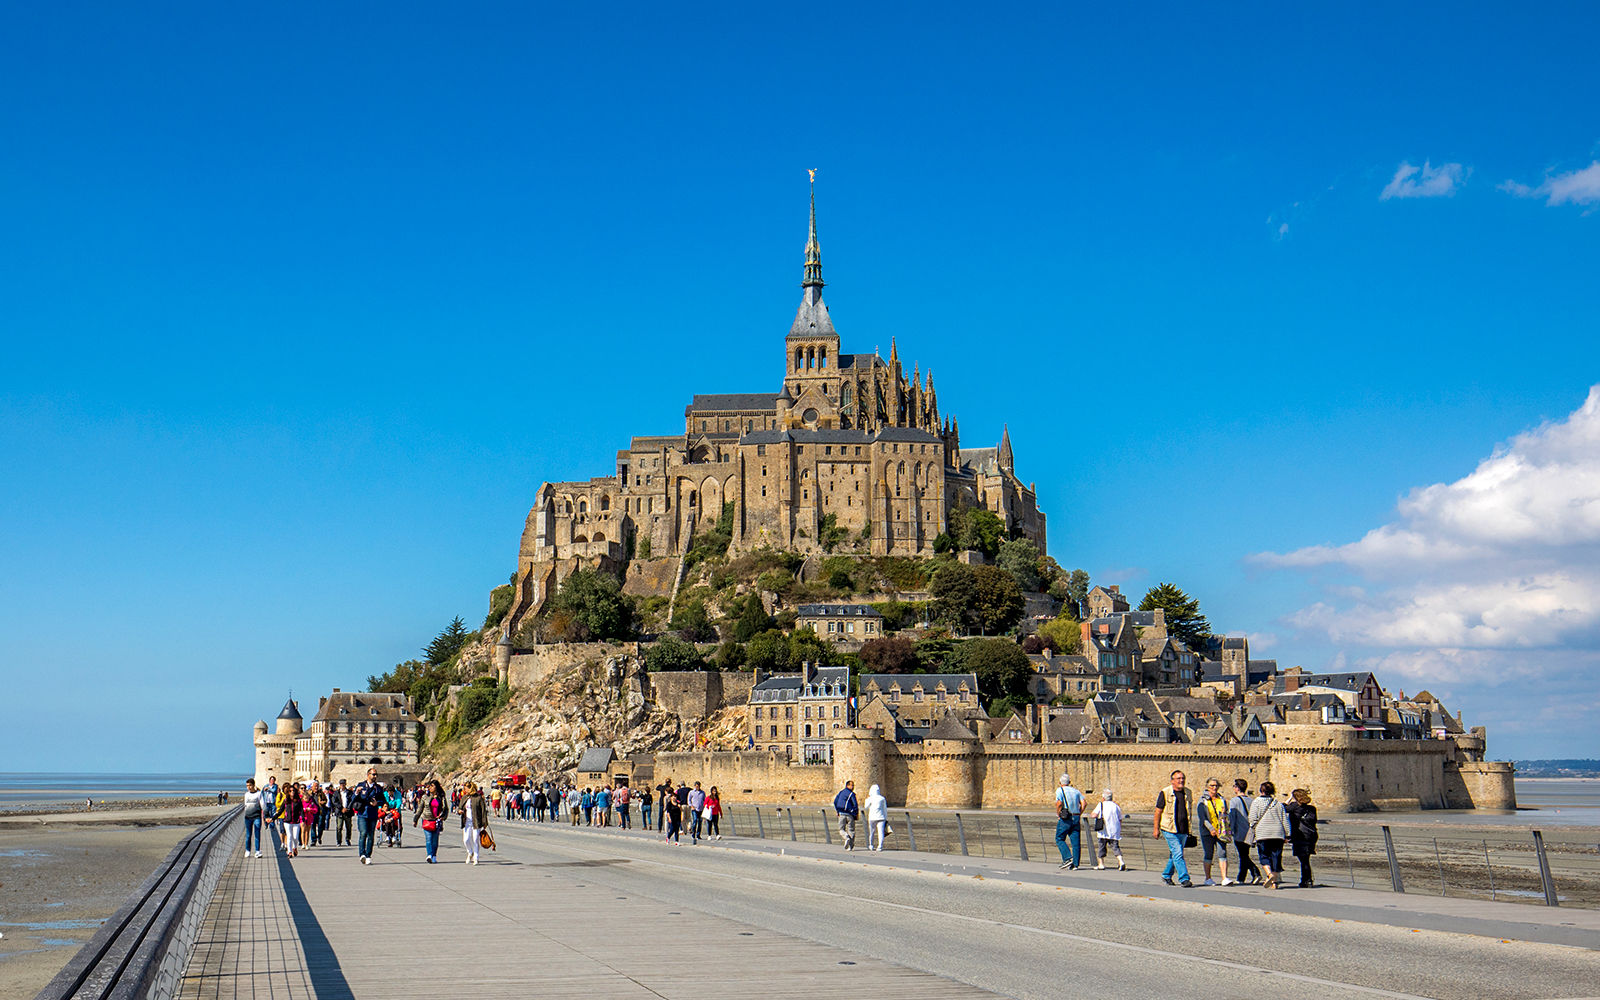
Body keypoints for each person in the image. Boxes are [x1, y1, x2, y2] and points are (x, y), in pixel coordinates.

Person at [1248, 780, 1292, 890]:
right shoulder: (1277, 803)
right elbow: (1284, 819)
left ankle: (1269, 875)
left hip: (1263, 833)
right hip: (1278, 834)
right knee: (1276, 857)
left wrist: (1254, 827)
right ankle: (1274, 883)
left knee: (1264, 856)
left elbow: (1252, 819)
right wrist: (1288, 835)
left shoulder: (1256, 802)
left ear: (1261, 790)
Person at [1152, 770, 1193, 887]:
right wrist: (1156, 829)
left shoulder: (1188, 792)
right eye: (1178, 778)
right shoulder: (1165, 793)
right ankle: (1184, 878)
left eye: (1183, 778)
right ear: (1172, 781)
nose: (1181, 780)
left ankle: (1166, 875)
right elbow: (1158, 812)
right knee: (1178, 853)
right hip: (1169, 828)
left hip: (1183, 829)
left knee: (1175, 854)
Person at [1197, 777, 1234, 886]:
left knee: (1222, 852)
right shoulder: (1203, 800)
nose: (1214, 788)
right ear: (1207, 787)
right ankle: (1208, 878)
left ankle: (1224, 877)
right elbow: (1202, 817)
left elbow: (1225, 814)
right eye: (1212, 786)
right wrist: (1211, 829)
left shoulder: (1221, 799)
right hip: (1207, 831)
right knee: (1209, 853)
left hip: (1221, 831)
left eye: (1216, 785)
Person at [1227, 779, 1262, 884]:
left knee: (1243, 855)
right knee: (1244, 854)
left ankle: (1255, 872)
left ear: (1237, 788)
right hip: (1250, 833)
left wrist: (1230, 830)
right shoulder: (1252, 801)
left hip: (1239, 832)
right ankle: (1241, 878)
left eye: (1234, 786)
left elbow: (1232, 817)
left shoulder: (1234, 801)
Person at [351, 768, 385, 866]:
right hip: (362, 813)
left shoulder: (378, 788)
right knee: (363, 833)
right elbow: (353, 798)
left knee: (371, 835)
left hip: (373, 813)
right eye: (373, 774)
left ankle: (368, 855)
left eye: (376, 775)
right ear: (368, 775)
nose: (374, 776)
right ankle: (362, 854)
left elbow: (383, 800)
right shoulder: (361, 785)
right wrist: (356, 792)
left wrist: (377, 803)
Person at [1287, 788, 1319, 887]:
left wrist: (1288, 799)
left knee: (1304, 860)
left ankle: (1307, 880)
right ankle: (1306, 879)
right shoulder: (1312, 808)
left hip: (1300, 835)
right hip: (1311, 835)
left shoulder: (1294, 807)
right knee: (1305, 859)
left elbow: (1281, 807)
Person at [1054, 774, 1086, 870]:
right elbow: (1084, 803)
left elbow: (1059, 803)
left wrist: (1058, 813)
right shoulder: (1076, 791)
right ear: (1069, 782)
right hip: (1076, 817)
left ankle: (1068, 858)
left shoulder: (1060, 790)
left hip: (1066, 818)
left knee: (1059, 838)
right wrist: (1079, 813)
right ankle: (1075, 864)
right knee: (1076, 843)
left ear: (1060, 782)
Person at [1090, 790, 1124, 871]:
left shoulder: (1101, 804)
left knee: (1102, 847)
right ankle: (1121, 861)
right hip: (1114, 831)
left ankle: (1101, 864)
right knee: (1115, 847)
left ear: (1103, 798)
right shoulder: (1116, 806)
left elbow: (1093, 815)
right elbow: (1120, 819)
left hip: (1103, 830)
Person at [416, 780, 448, 864]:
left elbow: (445, 809)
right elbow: (420, 808)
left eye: (432, 786)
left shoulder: (441, 797)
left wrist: (443, 817)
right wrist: (416, 819)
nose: (430, 787)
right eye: (429, 786)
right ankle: (429, 855)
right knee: (428, 838)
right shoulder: (425, 797)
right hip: (427, 819)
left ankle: (434, 855)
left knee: (435, 840)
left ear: (436, 787)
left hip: (437, 820)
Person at [459, 781, 487, 866]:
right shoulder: (464, 798)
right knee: (466, 839)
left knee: (475, 840)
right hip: (466, 822)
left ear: (470, 788)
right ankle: (470, 852)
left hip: (476, 822)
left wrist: (484, 822)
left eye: (466, 789)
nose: (464, 790)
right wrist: (460, 811)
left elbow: (483, 811)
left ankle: (476, 858)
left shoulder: (478, 798)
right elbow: (460, 807)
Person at [833, 780, 859, 850]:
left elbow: (835, 802)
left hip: (841, 813)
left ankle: (846, 837)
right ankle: (850, 846)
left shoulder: (841, 793)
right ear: (847, 786)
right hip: (850, 814)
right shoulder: (852, 794)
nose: (853, 787)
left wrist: (838, 811)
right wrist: (856, 813)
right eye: (851, 785)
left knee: (841, 829)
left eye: (853, 785)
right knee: (851, 830)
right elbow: (855, 804)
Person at [242, 779, 265, 858]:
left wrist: (266, 815)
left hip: (257, 816)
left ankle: (257, 851)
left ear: (253, 785)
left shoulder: (259, 794)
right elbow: (245, 805)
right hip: (248, 817)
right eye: (247, 786)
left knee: (257, 833)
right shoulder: (246, 795)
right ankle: (248, 850)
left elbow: (263, 805)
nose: (248, 787)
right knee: (248, 834)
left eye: (250, 785)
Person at [864, 783, 889, 852]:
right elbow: (885, 809)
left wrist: (867, 799)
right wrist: (886, 818)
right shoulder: (882, 798)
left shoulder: (870, 798)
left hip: (872, 817)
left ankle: (871, 845)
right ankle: (880, 846)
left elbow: (866, 807)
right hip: (881, 817)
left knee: (872, 832)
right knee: (881, 832)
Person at [283, 784, 303, 859]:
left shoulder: (298, 801)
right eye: (290, 791)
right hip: (287, 821)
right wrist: (273, 818)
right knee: (289, 836)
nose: (292, 792)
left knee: (295, 837)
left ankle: (294, 847)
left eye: (293, 791)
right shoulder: (286, 801)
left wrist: (303, 820)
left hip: (296, 822)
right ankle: (289, 852)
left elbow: (301, 810)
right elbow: (281, 810)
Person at [333, 779, 355, 847]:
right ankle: (339, 841)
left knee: (349, 826)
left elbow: (352, 801)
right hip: (340, 812)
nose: (342, 785)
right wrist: (341, 808)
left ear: (345, 784)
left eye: (343, 784)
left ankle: (348, 839)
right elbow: (334, 801)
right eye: (341, 784)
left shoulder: (349, 792)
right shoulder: (336, 793)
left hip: (347, 812)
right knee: (339, 827)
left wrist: (347, 808)